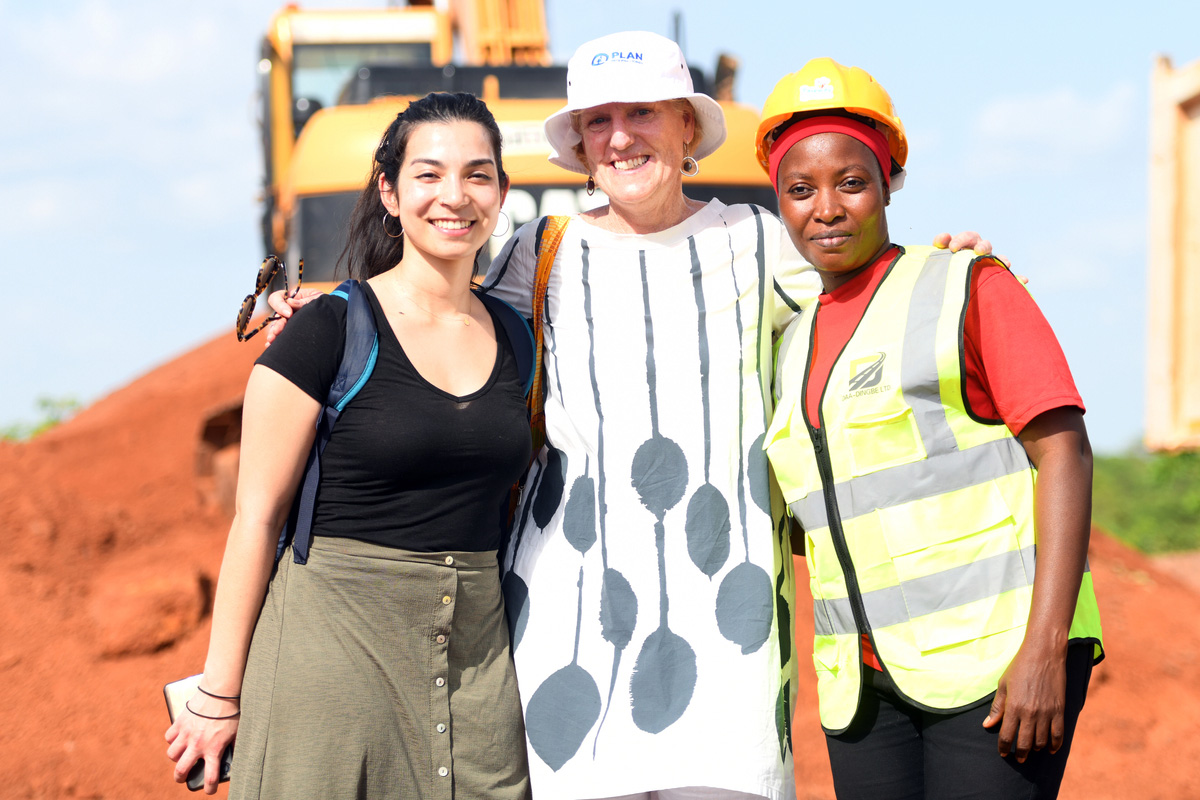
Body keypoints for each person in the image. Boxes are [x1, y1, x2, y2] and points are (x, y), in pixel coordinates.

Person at [266, 32, 989, 800]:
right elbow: (433, 327)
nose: (620, 136)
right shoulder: (537, 253)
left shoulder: (758, 245)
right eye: (598, 120)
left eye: (642, 111)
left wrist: (939, 270)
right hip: (565, 627)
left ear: (686, 127)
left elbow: (864, 313)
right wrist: (324, 315)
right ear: (578, 145)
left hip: (727, 634)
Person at [164, 91, 531, 798]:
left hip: (478, 668)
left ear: (501, 193)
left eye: (477, 175)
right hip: (331, 662)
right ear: (389, 192)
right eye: (428, 175)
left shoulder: (517, 336)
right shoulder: (327, 331)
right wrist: (218, 693)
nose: (454, 196)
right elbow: (256, 519)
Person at [756, 59, 1105, 799]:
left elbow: (1065, 453)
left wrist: (1044, 651)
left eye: (851, 181)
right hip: (863, 683)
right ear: (778, 201)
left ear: (890, 182)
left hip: (993, 661)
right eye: (800, 189)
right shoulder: (788, 342)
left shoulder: (968, 286)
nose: (826, 208)